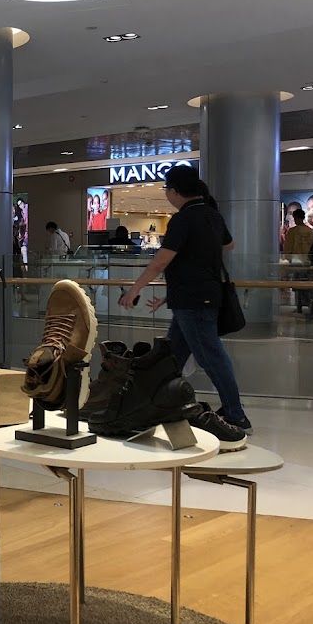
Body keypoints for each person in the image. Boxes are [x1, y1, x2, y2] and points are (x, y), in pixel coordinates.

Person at [119, 166, 250, 430]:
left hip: (193, 301)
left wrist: (135, 290)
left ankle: (235, 414)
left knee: (211, 356)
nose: (167, 194)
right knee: (172, 358)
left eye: (167, 189)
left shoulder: (183, 219)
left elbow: (161, 261)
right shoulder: (212, 216)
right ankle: (157, 406)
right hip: (195, 297)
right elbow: (228, 245)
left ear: (175, 191)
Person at [283, 207, 313, 314]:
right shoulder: (310, 231)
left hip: (296, 259)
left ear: (296, 218)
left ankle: (299, 307)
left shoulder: (292, 231)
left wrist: (287, 259)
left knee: (297, 284)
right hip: (307, 259)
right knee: (308, 283)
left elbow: (288, 247)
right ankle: (310, 306)